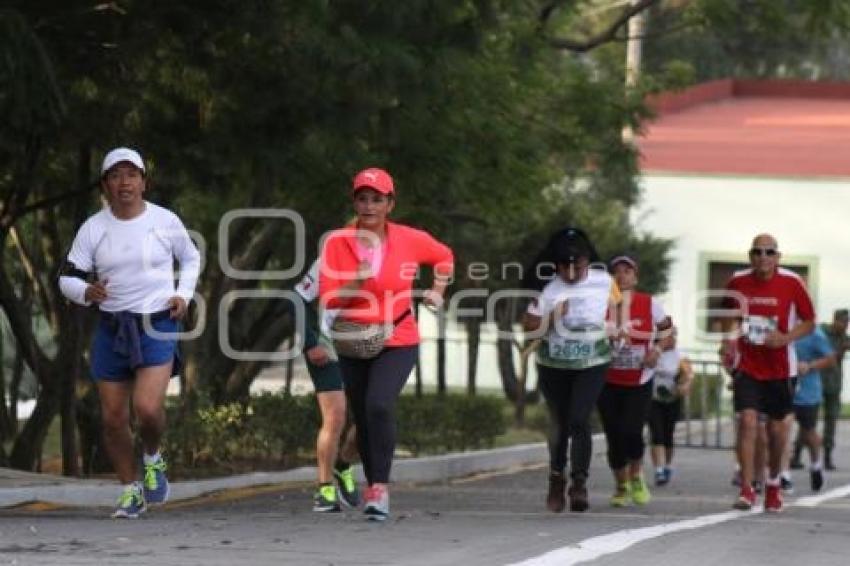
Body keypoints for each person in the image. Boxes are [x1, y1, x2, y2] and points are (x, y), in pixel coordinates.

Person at [59, 147, 200, 518]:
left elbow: (190, 258)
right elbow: (66, 277)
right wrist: (86, 292)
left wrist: (182, 294)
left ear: (143, 181)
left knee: (148, 409)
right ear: (105, 185)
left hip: (157, 322)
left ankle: (153, 457)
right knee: (113, 418)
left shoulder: (165, 220)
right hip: (113, 326)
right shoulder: (94, 228)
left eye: (132, 174)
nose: (125, 182)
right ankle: (129, 488)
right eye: (116, 175)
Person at [319, 167, 453, 521]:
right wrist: (354, 284)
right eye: (362, 198)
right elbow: (329, 299)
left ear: (390, 203)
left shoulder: (410, 238)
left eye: (377, 199)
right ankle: (355, 472)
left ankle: (378, 489)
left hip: (398, 335)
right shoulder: (338, 243)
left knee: (379, 405)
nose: (369, 206)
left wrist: (438, 291)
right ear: (354, 202)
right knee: (362, 415)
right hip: (352, 339)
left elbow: (444, 257)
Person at [522, 228, 620, 513]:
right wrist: (553, 316)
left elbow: (617, 304)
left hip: (593, 361)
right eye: (565, 266)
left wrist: (615, 326)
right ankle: (556, 477)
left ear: (588, 261)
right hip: (554, 363)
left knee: (579, 418)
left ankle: (579, 483)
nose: (572, 272)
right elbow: (529, 326)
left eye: (577, 265)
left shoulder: (604, 281)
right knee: (559, 422)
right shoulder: (547, 286)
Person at [720, 234, 815, 512]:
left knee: (776, 430)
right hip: (748, 364)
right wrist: (728, 341)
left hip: (780, 368)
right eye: (757, 251)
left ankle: (773, 482)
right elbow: (728, 317)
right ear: (750, 256)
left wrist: (785, 338)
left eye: (769, 252)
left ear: (778, 256)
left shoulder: (792, 282)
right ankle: (747, 489)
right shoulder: (737, 281)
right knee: (747, 422)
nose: (763, 257)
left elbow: (809, 321)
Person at [599, 254, 673, 507]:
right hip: (607, 379)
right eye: (616, 272)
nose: (622, 276)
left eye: (627, 271)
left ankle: (636, 477)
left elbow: (668, 333)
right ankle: (621, 486)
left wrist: (657, 351)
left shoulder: (650, 304)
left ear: (635, 276)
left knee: (631, 430)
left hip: (639, 379)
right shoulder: (600, 305)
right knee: (613, 434)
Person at [292, 259, 360, 512]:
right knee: (335, 416)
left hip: (369, 346)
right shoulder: (332, 257)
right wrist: (311, 342)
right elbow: (297, 298)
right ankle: (325, 488)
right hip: (329, 345)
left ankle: (343, 464)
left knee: (372, 416)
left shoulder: (393, 257)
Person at [790, 324, 835, 492]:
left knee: (808, 431)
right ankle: (782, 475)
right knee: (779, 430)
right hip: (782, 388)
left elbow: (830, 358)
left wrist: (810, 366)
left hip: (807, 392)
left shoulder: (814, 333)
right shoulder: (781, 327)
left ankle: (816, 465)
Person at [648, 333, 693, 486]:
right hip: (653, 399)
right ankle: (658, 469)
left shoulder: (681, 355)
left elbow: (688, 376)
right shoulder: (653, 352)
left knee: (668, 435)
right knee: (657, 434)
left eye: (674, 336)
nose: (673, 339)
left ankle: (667, 465)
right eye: (669, 337)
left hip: (673, 400)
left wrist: (684, 385)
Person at [817, 310, 849, 470]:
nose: (845, 326)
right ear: (835, 320)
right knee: (808, 421)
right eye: (843, 322)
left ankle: (828, 456)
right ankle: (796, 454)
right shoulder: (821, 333)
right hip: (817, 381)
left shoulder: (844, 337)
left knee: (831, 421)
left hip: (834, 385)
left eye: (847, 323)